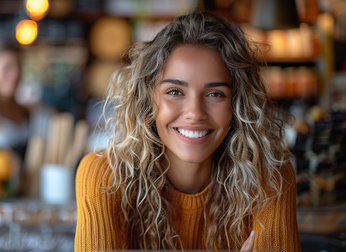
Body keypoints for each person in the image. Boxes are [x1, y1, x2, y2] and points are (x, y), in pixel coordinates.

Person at [75, 11, 301, 251]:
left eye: (215, 94)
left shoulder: (271, 179)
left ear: (237, 105)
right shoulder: (104, 178)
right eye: (175, 91)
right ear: (148, 99)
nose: (194, 112)